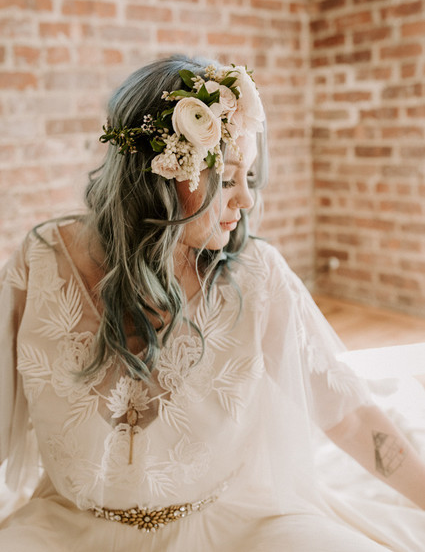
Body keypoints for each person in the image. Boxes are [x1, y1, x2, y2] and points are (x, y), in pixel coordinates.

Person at [0, 54, 424, 552]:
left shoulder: (257, 275)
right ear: (158, 179)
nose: (246, 200)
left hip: (235, 524)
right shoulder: (41, 262)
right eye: (226, 180)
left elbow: (348, 416)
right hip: (67, 528)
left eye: (250, 178)